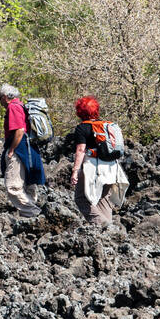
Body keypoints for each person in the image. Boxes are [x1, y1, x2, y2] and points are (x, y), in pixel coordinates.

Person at [66, 96, 128, 226]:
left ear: (80, 112)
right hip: (112, 168)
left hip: (93, 169)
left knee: (81, 198)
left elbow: (81, 150)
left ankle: (104, 226)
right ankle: (110, 232)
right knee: (103, 199)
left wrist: (75, 171)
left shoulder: (82, 128)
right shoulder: (106, 125)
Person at [0, 84, 43, 217]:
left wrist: (11, 150)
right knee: (29, 184)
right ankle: (29, 217)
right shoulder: (21, 105)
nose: (0, 102)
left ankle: (33, 212)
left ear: (5, 97)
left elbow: (19, 130)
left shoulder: (13, 107)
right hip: (29, 149)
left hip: (20, 149)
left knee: (13, 186)